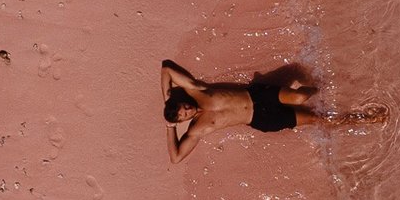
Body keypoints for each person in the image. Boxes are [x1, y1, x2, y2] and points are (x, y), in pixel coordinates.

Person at [161, 59, 381, 163]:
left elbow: (166, 68)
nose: (187, 111)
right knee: (316, 119)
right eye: (183, 115)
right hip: (261, 119)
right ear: (183, 120)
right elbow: (176, 157)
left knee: (301, 96)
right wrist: (170, 127)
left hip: (257, 95)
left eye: (183, 108)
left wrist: (167, 98)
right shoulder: (196, 130)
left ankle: (328, 85)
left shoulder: (197, 90)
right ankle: (362, 119)